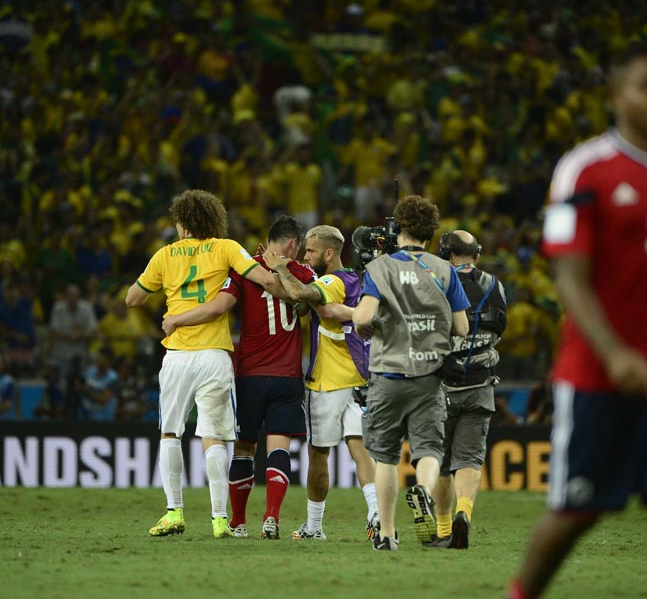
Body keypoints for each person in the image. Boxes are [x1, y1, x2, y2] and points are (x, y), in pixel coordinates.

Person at [508, 42, 647, 599]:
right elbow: (568, 274)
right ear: (617, 96)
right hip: (597, 368)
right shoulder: (582, 169)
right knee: (578, 511)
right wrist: (615, 351)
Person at [125, 189, 283, 540]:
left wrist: (167, 294)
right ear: (213, 220)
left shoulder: (164, 255)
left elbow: (132, 298)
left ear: (181, 223)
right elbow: (266, 280)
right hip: (214, 355)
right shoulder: (226, 248)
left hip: (178, 356)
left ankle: (174, 512)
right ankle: (218, 520)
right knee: (214, 437)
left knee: (171, 432)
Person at [163, 214, 315, 540]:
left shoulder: (244, 269)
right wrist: (286, 270)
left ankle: (238, 522)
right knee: (279, 449)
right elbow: (307, 299)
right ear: (292, 244)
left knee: (244, 449)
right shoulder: (301, 273)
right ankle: (272, 516)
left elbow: (221, 305)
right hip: (288, 374)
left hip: (249, 374)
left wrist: (177, 319)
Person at [351, 195, 470, 551]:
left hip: (388, 373)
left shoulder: (381, 268)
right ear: (431, 232)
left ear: (398, 228)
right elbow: (462, 328)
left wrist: (365, 326)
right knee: (430, 449)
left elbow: (362, 316)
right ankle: (423, 487)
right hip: (430, 374)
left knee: (385, 457)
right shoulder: (444, 269)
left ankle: (387, 534)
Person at [263, 225, 379, 541]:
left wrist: (280, 268)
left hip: (327, 382)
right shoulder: (358, 280)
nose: (306, 256)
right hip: (359, 380)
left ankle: (314, 526)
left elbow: (301, 294)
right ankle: (376, 515)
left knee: (318, 453)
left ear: (329, 253)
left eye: (311, 251)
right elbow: (302, 302)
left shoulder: (331, 280)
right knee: (360, 450)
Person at [428, 230, 507, 549]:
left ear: (447, 253)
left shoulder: (435, 280)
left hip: (441, 386)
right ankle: (464, 512)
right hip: (481, 382)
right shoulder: (495, 285)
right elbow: (500, 326)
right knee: (470, 459)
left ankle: (445, 529)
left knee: (441, 461)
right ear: (476, 254)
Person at [76, 347, 120, 421]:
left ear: (109, 361)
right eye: (98, 357)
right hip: (84, 416)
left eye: (102, 358)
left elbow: (103, 399)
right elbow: (78, 385)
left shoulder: (113, 378)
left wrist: (85, 391)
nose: (99, 360)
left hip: (102, 419)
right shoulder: (89, 371)